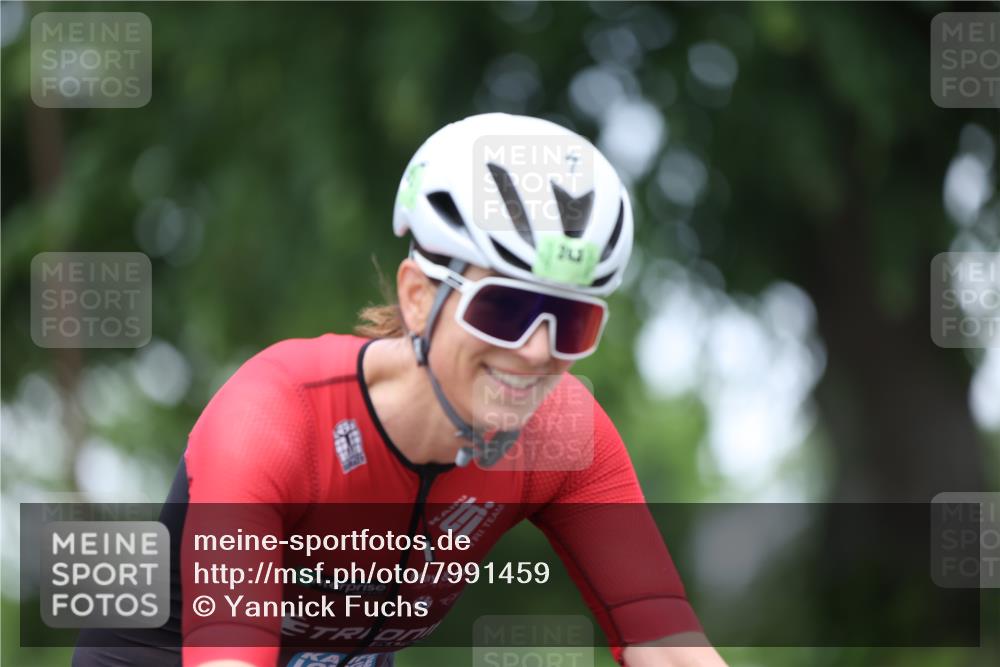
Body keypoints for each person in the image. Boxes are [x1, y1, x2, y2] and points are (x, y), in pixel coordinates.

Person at [73, 113, 728, 667]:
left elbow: (670, 647)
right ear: (419, 297)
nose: (536, 350)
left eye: (572, 321)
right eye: (503, 308)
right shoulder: (275, 417)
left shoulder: (563, 435)